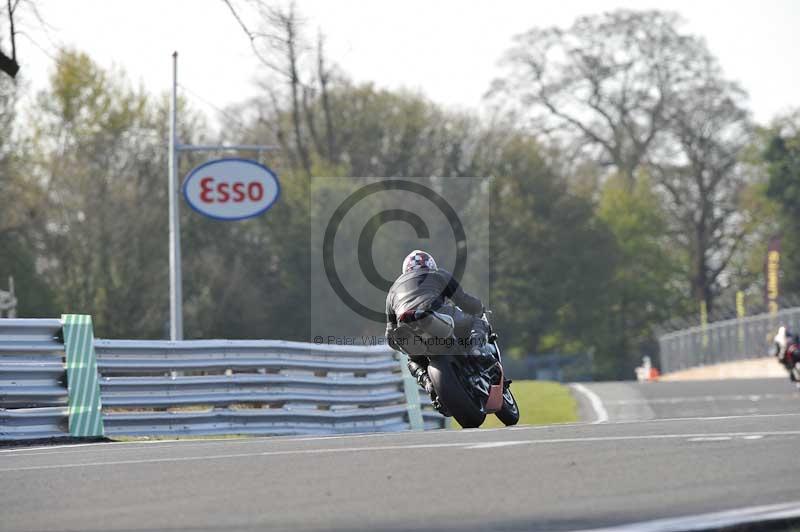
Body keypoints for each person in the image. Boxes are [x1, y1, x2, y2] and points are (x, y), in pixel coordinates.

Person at [384, 250, 495, 403]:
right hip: (434, 312)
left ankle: (428, 383)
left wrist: (401, 346)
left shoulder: (392, 291)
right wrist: (479, 308)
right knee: (475, 321)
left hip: (406, 327)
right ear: (430, 264)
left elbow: (390, 336)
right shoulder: (438, 274)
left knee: (412, 360)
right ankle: (476, 351)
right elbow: (464, 300)